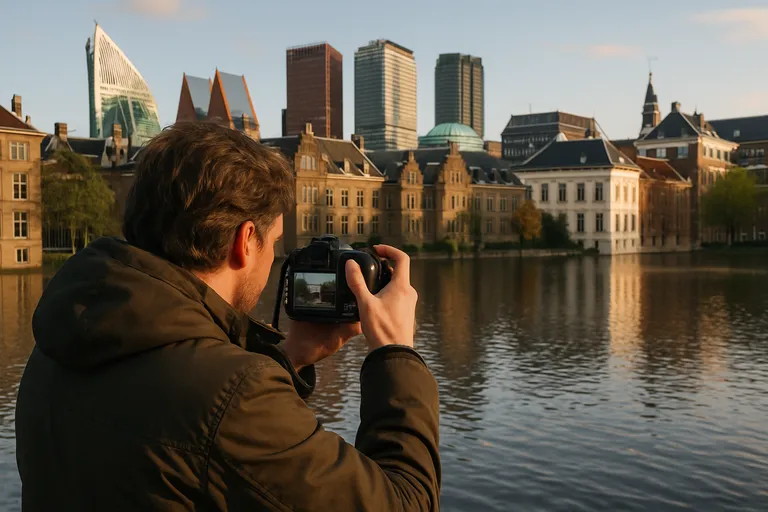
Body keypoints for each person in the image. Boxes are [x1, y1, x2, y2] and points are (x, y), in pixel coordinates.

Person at [15, 122, 441, 511]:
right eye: (274, 241)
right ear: (245, 240)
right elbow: (407, 503)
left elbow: (185, 434)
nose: (273, 257)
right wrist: (394, 353)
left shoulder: (55, 346)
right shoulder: (234, 397)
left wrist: (289, 356)